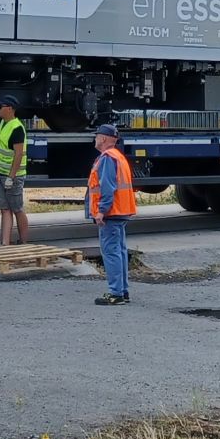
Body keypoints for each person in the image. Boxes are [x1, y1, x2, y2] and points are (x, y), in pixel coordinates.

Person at [87, 123, 137, 306]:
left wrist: (101, 211)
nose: (95, 138)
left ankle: (116, 293)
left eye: (97, 135)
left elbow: (107, 187)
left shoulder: (107, 158)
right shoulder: (118, 157)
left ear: (104, 139)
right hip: (120, 211)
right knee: (119, 251)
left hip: (111, 212)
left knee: (111, 251)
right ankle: (122, 291)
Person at [0, 95, 29, 245]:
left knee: (17, 209)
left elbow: (18, 154)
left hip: (12, 177)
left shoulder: (17, 128)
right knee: (4, 209)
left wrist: (11, 177)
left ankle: (23, 241)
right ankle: (5, 243)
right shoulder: (4, 123)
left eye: (1, 106)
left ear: (9, 109)